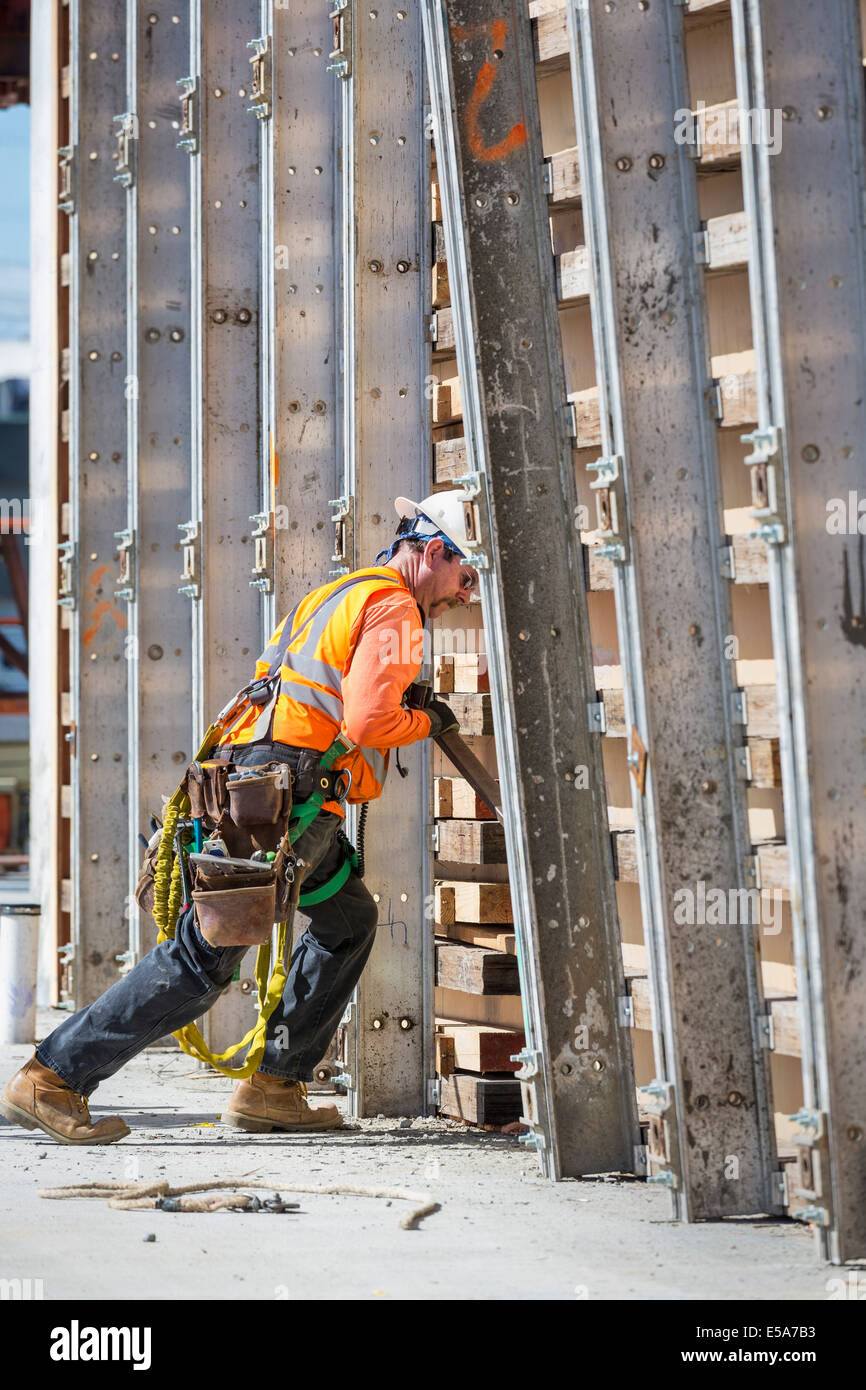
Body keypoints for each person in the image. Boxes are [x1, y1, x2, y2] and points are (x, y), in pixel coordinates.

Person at [0, 492, 479, 1143]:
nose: (463, 595)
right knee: (204, 962)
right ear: (432, 552)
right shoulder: (396, 607)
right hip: (289, 799)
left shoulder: (343, 593)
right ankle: (53, 1076)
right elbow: (368, 720)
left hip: (272, 788)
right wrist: (428, 718)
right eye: (466, 577)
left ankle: (275, 1086)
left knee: (348, 921)